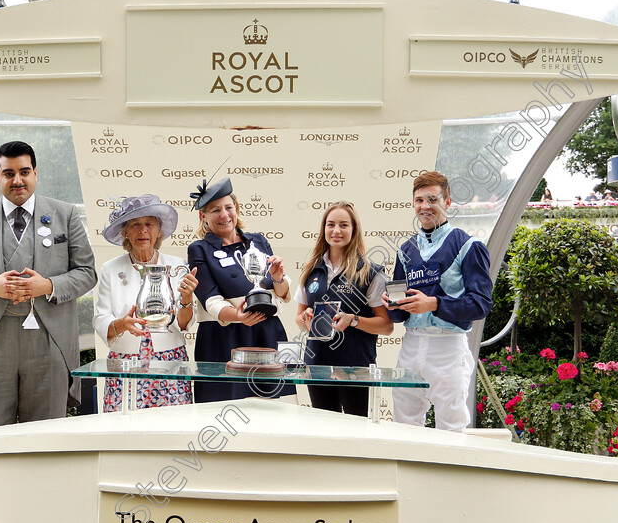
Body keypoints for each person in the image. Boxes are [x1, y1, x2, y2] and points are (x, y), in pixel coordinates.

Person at [0, 141, 97, 430]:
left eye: (24, 172)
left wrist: (48, 285)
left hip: (50, 342)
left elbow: (87, 273)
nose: (17, 180)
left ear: (35, 173)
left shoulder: (66, 215)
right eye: (8, 173)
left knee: (46, 440)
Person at [383, 171, 494, 432]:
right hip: (411, 344)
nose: (425, 206)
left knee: (451, 425)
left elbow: (480, 304)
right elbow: (400, 315)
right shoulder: (406, 249)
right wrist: (392, 306)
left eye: (432, 199)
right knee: (404, 423)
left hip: (448, 346)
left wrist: (433, 304)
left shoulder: (469, 245)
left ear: (447, 202)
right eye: (419, 200)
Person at [187, 177, 296, 403]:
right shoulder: (199, 249)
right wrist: (237, 316)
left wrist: (278, 278)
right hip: (223, 340)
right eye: (215, 210)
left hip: (267, 333)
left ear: (236, 209)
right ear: (203, 216)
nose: (224, 215)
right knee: (224, 409)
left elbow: (282, 293)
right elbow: (210, 299)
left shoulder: (258, 241)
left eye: (229, 207)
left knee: (276, 408)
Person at [93, 194, 198, 411]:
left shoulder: (177, 265)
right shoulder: (110, 268)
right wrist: (123, 324)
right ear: (125, 232)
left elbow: (184, 324)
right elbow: (101, 317)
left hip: (170, 360)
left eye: (149, 224)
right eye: (135, 225)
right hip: (125, 361)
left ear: (159, 231)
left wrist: (187, 299)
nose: (143, 231)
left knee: (172, 427)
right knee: (124, 429)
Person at [295, 202, 393, 416]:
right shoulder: (311, 270)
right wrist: (306, 318)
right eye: (331, 224)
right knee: (324, 432)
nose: (336, 231)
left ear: (354, 230)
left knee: (356, 434)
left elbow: (386, 326)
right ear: (323, 230)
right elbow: (299, 318)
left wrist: (354, 320)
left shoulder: (370, 272)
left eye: (343, 225)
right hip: (318, 366)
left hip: (355, 369)